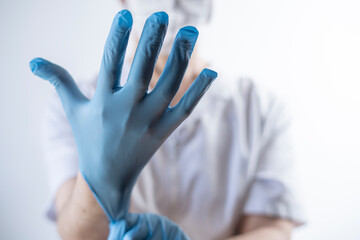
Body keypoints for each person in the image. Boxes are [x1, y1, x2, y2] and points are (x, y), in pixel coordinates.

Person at [38, 0, 305, 239]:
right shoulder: (81, 104)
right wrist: (97, 179)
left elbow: (273, 230)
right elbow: (76, 233)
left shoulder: (260, 107)